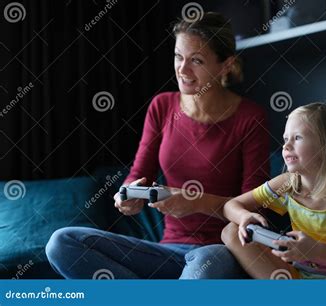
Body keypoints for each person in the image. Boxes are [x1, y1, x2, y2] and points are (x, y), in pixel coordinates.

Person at [45, 12, 269, 279]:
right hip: (167, 251)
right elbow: (138, 174)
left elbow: (256, 207)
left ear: (225, 65)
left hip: (220, 250)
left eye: (196, 60)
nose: (182, 70)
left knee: (205, 263)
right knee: (62, 243)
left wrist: (195, 201)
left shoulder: (250, 118)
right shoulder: (162, 106)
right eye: (178, 56)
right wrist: (128, 195)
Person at [221, 102, 326, 279]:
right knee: (230, 231)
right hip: (295, 277)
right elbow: (231, 205)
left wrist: (317, 251)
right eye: (285, 139)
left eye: (297, 137)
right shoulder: (286, 185)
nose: (286, 146)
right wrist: (243, 216)